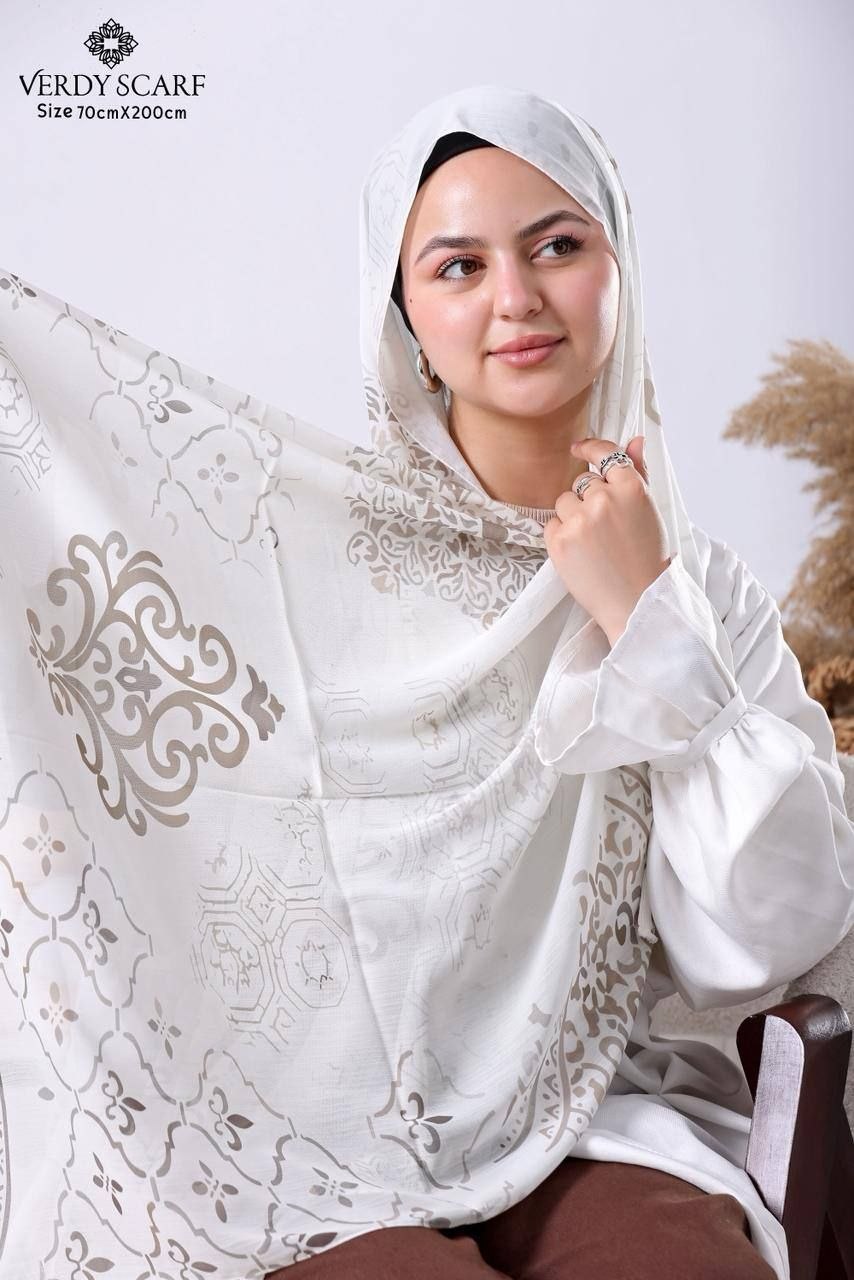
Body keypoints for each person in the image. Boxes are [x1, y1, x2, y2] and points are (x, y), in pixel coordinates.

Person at [1, 85, 852, 1280]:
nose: (516, 298)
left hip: (598, 1114)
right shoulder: (304, 568)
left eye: (557, 245)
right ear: (401, 312)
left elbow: (764, 941)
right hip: (322, 1139)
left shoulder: (698, 589)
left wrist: (644, 618)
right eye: (458, 266)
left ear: (617, 266)